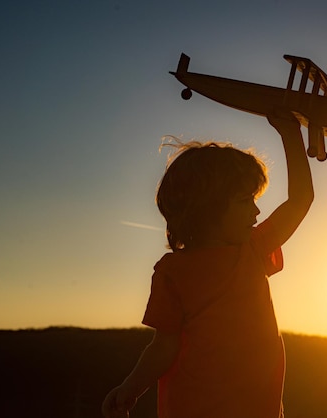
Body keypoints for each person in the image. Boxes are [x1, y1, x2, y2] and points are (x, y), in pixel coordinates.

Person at [102, 111, 314, 418]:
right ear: (208, 208)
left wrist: (290, 133)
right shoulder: (173, 272)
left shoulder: (252, 248)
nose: (256, 211)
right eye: (245, 200)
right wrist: (129, 389)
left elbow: (301, 199)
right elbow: (163, 346)